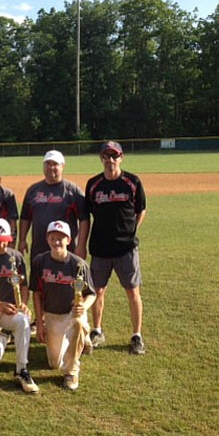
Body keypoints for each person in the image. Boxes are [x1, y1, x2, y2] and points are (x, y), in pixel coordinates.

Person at [84, 141, 147, 355]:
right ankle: (97, 330)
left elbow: (141, 210)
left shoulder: (132, 182)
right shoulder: (93, 184)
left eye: (114, 155)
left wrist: (131, 230)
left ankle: (137, 335)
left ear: (121, 157)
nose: (110, 160)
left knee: (132, 291)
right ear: (101, 158)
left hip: (126, 249)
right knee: (97, 291)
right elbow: (88, 214)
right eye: (106, 156)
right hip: (100, 248)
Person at [0, 218, 39, 394]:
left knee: (23, 321)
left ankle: (21, 370)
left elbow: (24, 286)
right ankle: (4, 336)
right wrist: (0, 305)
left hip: (10, 311)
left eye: (5, 242)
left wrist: (23, 304)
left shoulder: (16, 257)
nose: (2, 246)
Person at [30, 221, 96, 391]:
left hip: (71, 314)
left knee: (79, 324)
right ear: (47, 239)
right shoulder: (40, 261)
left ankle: (72, 372)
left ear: (68, 240)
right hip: (51, 315)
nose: (56, 241)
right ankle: (81, 338)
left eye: (61, 238)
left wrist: (84, 307)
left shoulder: (79, 264)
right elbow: (36, 293)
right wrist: (39, 322)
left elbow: (92, 293)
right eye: (53, 237)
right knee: (54, 363)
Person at [19, 150, 89, 263]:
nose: (51, 167)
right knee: (39, 279)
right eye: (48, 164)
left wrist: (81, 245)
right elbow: (25, 218)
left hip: (65, 249)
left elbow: (84, 220)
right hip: (39, 248)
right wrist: (22, 240)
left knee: (65, 279)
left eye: (55, 164)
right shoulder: (33, 190)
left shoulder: (73, 191)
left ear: (62, 166)